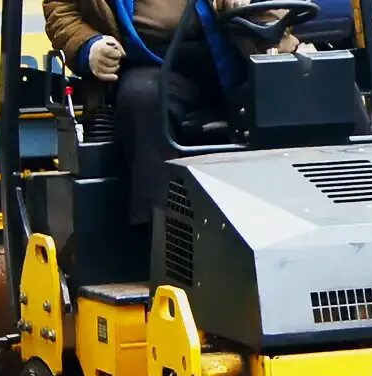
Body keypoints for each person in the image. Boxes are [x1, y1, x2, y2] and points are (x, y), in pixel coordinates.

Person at [43, 0, 311, 230]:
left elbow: (278, 12)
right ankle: (164, 240)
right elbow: (61, 11)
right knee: (142, 98)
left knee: (321, 85)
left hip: (237, 51)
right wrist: (88, 45)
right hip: (151, 63)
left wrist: (257, 11)